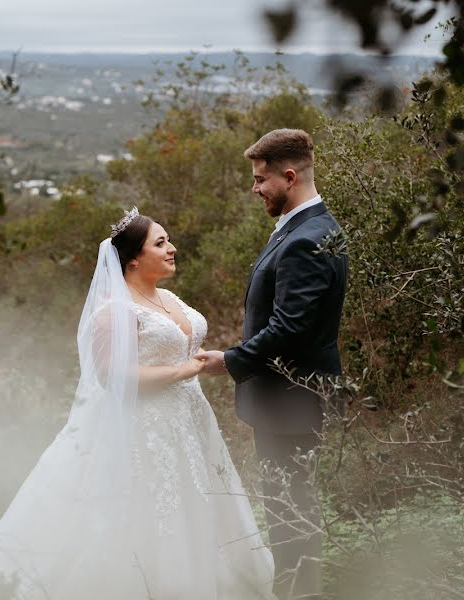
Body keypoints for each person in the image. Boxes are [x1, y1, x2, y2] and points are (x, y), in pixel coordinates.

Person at [0, 208, 275, 599]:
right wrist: (183, 372)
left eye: (168, 240)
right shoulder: (114, 312)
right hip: (143, 427)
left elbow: (182, 346)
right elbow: (115, 378)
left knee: (199, 503)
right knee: (147, 514)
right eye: (160, 243)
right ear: (133, 258)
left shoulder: (168, 298)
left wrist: (207, 358)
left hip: (190, 421)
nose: (172, 249)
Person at [197, 128, 348, 599]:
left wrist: (231, 360)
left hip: (292, 402)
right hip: (291, 400)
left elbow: (290, 328)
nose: (255, 188)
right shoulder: (308, 227)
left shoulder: (307, 239)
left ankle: (297, 593)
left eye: (261, 179)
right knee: (291, 505)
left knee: (290, 510)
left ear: (289, 176)